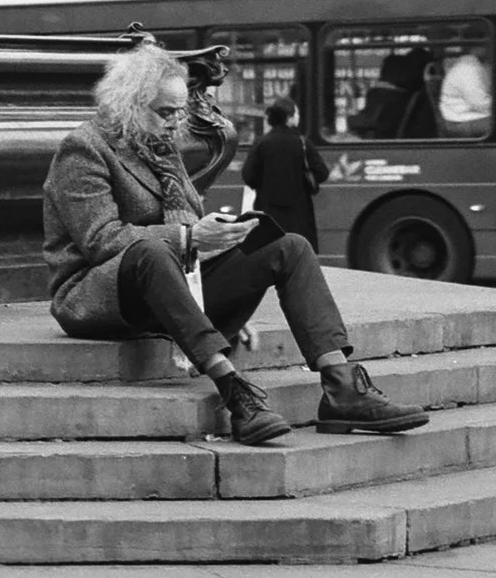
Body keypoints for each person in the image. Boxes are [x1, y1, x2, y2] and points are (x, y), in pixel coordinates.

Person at [44, 43, 425, 446]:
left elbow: (188, 228)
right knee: (151, 251)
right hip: (98, 295)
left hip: (168, 286)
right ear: (129, 105)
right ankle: (235, 394)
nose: (178, 122)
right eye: (166, 111)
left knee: (287, 244)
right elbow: (101, 241)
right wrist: (191, 237)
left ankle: (343, 389)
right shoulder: (84, 149)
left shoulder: (160, 147)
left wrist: (221, 242)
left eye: (182, 109)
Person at [241, 99, 331, 251]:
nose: (298, 117)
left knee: (270, 252)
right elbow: (322, 172)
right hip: (299, 212)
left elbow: (249, 175)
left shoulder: (261, 143)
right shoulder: (302, 142)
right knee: (297, 252)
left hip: (268, 211)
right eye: (297, 114)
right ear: (289, 118)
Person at [438, 49, 493, 139]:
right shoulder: (468, 69)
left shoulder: (474, 65)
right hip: (460, 122)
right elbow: (480, 103)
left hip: (468, 116)